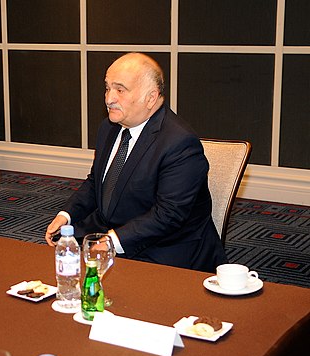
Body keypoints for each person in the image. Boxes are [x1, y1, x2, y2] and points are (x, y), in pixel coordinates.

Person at [45, 52, 227, 272]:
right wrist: (67, 215)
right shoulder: (109, 128)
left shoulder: (180, 143)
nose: (109, 98)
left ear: (150, 97)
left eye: (120, 90)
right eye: (107, 88)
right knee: (53, 266)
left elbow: (168, 215)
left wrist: (112, 241)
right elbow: (96, 183)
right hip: (113, 229)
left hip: (165, 247)